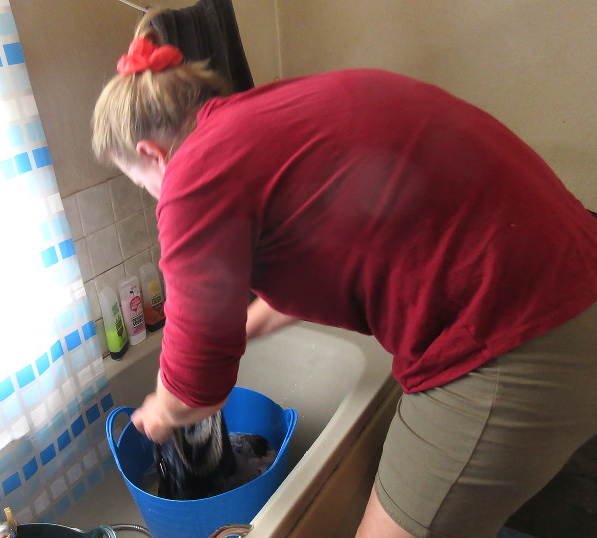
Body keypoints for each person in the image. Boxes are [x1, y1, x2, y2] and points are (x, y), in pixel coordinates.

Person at [92, 21, 597, 538]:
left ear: (153, 154)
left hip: (513, 333)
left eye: (142, 184)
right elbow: (329, 245)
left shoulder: (194, 170)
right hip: (571, 283)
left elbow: (196, 389)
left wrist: (159, 414)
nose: (157, 196)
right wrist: (243, 327)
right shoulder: (268, 118)